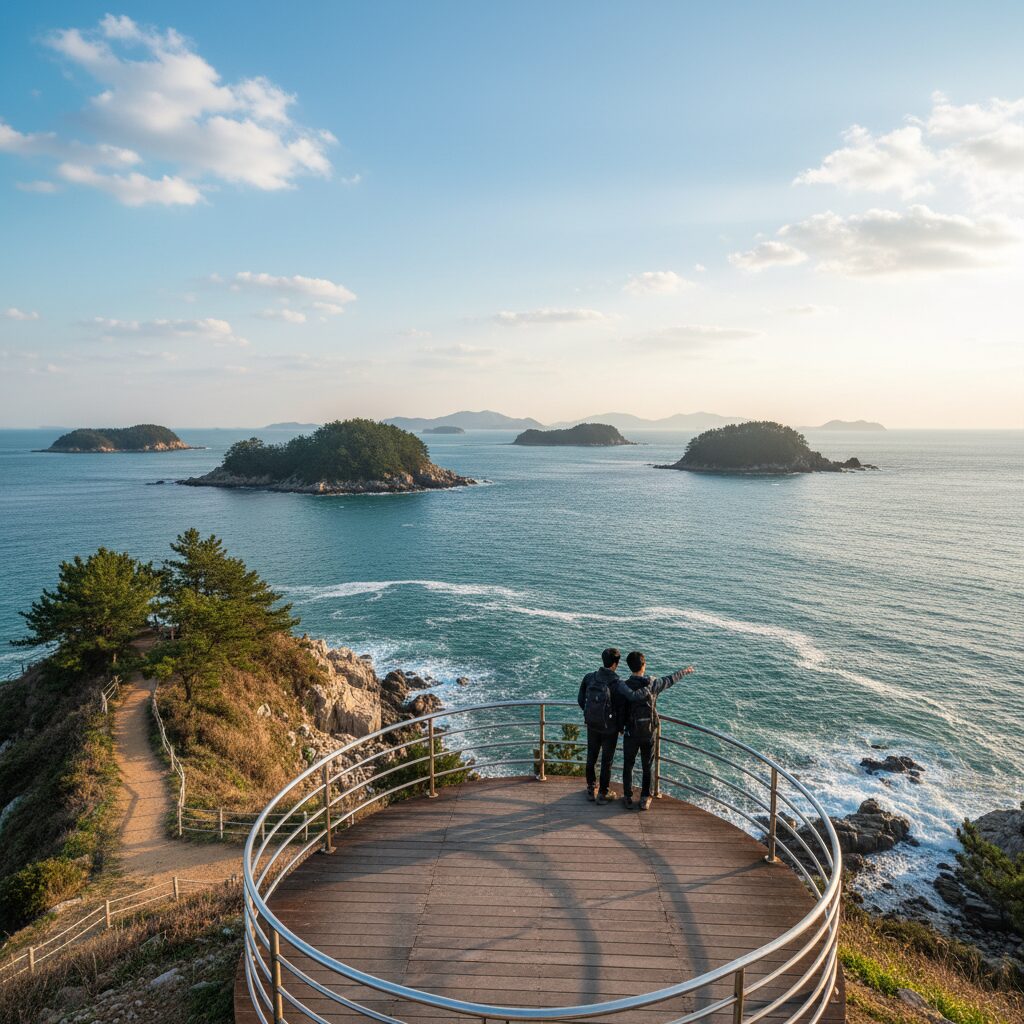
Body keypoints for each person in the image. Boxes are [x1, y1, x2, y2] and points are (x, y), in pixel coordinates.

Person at [621, 651, 695, 810]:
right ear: (643, 665)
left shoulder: (624, 686)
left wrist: (622, 727)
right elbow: (670, 679)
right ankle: (644, 798)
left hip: (630, 733)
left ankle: (627, 796)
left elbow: (621, 709)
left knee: (628, 764)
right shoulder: (653, 684)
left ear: (629, 666)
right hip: (648, 732)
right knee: (647, 765)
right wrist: (685, 671)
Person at [578, 648, 652, 804]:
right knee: (606, 761)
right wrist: (620, 728)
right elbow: (622, 708)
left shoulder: (590, 677)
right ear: (615, 664)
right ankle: (603, 794)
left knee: (591, 757)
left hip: (592, 725)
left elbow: (581, 699)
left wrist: (591, 715)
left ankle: (591, 789)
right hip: (609, 729)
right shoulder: (617, 684)